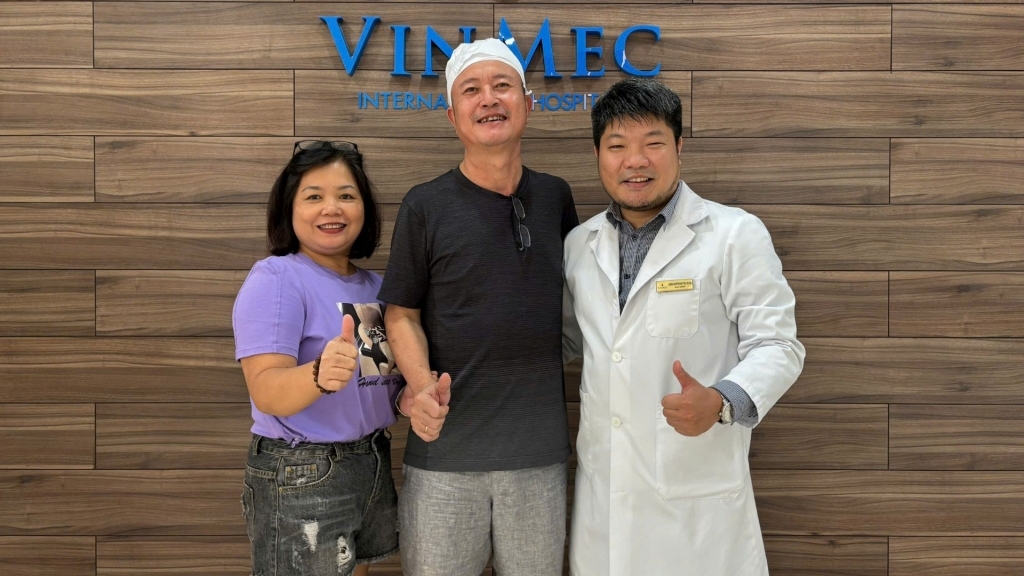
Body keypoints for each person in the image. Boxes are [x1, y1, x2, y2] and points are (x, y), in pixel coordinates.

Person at [562, 78, 806, 576]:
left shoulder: (734, 234)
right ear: (597, 154)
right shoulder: (578, 246)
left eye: (653, 143)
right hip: (603, 508)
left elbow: (778, 345)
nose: (635, 161)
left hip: (698, 514)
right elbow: (566, 342)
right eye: (617, 146)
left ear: (678, 146)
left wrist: (722, 400)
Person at [378, 38, 579, 576]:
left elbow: (577, 306)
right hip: (444, 456)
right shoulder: (425, 205)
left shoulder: (556, 197)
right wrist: (421, 388)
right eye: (471, 90)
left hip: (539, 457)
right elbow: (401, 313)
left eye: (502, 86)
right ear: (453, 115)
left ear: (527, 104)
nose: (488, 99)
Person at [232, 140, 409, 576]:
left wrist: (411, 397)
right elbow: (266, 390)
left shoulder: (378, 288)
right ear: (289, 209)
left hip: (370, 461)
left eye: (346, 195)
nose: (332, 208)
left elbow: (375, 382)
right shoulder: (277, 278)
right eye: (314, 197)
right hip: (303, 471)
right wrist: (317, 374)